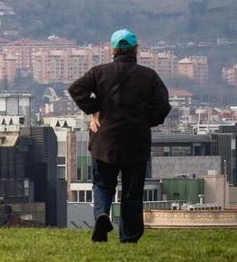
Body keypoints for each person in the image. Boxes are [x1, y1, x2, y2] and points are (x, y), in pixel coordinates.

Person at [67, 29, 171, 243]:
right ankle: (129, 236)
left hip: (105, 140)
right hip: (136, 142)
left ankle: (102, 215)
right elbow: (163, 107)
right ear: (136, 49)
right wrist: (144, 121)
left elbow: (76, 89)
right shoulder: (148, 76)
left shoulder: (99, 72)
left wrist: (95, 110)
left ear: (112, 49)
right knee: (132, 192)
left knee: (103, 185)